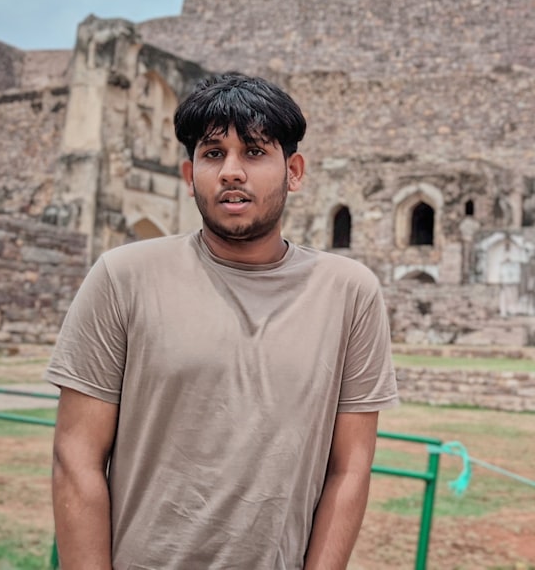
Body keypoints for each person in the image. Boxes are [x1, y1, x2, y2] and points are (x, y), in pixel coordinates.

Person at [45, 72, 399, 569]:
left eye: (254, 152)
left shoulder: (347, 292)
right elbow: (76, 457)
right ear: (190, 175)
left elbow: (350, 469)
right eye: (213, 154)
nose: (232, 171)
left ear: (293, 171)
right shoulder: (125, 276)